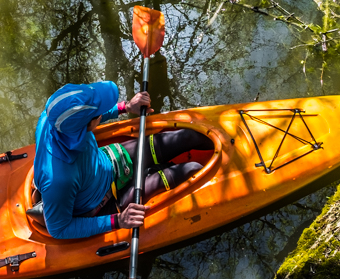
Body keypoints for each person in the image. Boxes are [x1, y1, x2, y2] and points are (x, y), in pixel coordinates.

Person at [32, 81, 212, 239]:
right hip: (103, 203)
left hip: (110, 160)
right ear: (84, 127)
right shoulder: (59, 180)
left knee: (189, 137)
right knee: (192, 169)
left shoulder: (52, 117)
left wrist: (124, 107)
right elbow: (59, 229)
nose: (101, 114)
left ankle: (149, 172)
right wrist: (118, 221)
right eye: (98, 116)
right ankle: (152, 174)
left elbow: (92, 114)